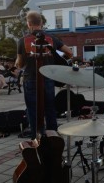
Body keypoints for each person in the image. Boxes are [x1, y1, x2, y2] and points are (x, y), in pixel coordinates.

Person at [15, 10, 73, 140]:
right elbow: (69, 53)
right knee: (50, 107)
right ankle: (53, 137)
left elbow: (19, 64)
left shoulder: (22, 41)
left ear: (28, 24)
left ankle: (37, 137)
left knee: (32, 109)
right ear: (41, 23)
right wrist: (56, 60)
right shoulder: (51, 39)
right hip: (48, 78)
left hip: (30, 79)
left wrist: (21, 61)